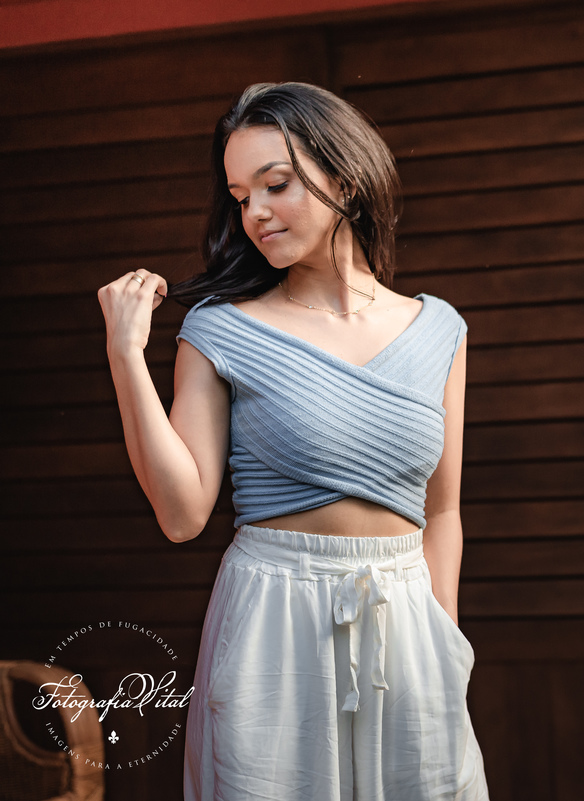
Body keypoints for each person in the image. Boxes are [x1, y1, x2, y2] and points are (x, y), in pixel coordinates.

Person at [97, 82, 489, 801]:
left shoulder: (440, 330)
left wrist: (442, 642)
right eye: (241, 196)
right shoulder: (220, 329)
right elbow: (182, 515)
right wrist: (127, 353)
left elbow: (443, 511)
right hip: (274, 617)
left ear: (346, 178)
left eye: (275, 185)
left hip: (408, 616)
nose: (256, 214)